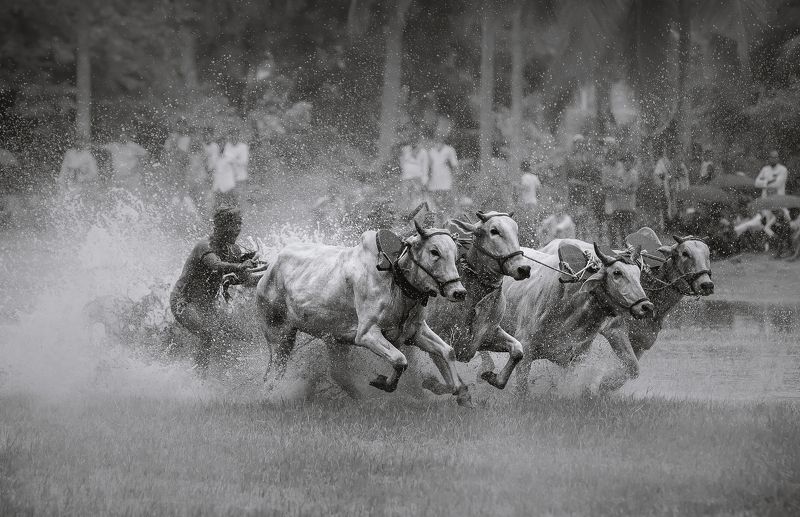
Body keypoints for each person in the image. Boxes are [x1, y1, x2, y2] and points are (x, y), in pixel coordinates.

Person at [170, 207, 258, 372]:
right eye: (233, 224)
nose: (238, 229)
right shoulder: (204, 246)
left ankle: (229, 373)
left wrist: (270, 275)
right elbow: (216, 265)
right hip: (183, 301)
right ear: (220, 226)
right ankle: (199, 379)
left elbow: (247, 281)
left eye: (240, 224)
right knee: (206, 334)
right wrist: (240, 266)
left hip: (206, 305)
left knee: (241, 335)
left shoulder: (234, 250)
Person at [602, 149, 639, 249]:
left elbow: (633, 189)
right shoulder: (619, 173)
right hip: (619, 205)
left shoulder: (634, 174)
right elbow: (615, 185)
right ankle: (622, 246)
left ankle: (630, 246)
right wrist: (619, 188)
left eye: (629, 161)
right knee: (621, 227)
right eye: (625, 161)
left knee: (629, 227)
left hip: (629, 205)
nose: (627, 163)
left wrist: (623, 189)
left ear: (632, 163)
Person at [427, 135, 458, 214]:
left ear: (443, 140)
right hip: (434, 177)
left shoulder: (449, 150)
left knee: (446, 197)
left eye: (440, 139)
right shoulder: (431, 151)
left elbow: (454, 165)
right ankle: (438, 212)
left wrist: (454, 177)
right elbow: (429, 166)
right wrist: (428, 178)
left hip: (445, 176)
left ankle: (446, 213)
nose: (438, 142)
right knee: (435, 198)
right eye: (436, 140)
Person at [399, 136, 429, 211]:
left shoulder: (423, 152)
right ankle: (406, 211)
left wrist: (424, 179)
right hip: (406, 177)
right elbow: (402, 161)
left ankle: (416, 210)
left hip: (417, 177)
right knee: (405, 196)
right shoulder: (406, 149)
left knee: (416, 196)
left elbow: (425, 166)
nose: (414, 143)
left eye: (416, 142)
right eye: (413, 141)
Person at [517, 162, 542, 246]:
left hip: (526, 202)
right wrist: (536, 197)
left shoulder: (525, 177)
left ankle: (529, 240)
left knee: (527, 222)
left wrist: (518, 187)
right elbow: (539, 188)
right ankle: (534, 240)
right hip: (534, 201)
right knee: (532, 221)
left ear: (522, 169)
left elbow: (525, 186)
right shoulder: (534, 177)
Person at [222, 128, 250, 202]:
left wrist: (232, 160)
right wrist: (235, 159)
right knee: (231, 200)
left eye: (235, 135)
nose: (233, 137)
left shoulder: (243, 147)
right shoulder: (227, 146)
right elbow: (225, 160)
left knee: (241, 199)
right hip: (230, 178)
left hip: (240, 177)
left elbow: (244, 161)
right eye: (232, 135)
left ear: (238, 136)